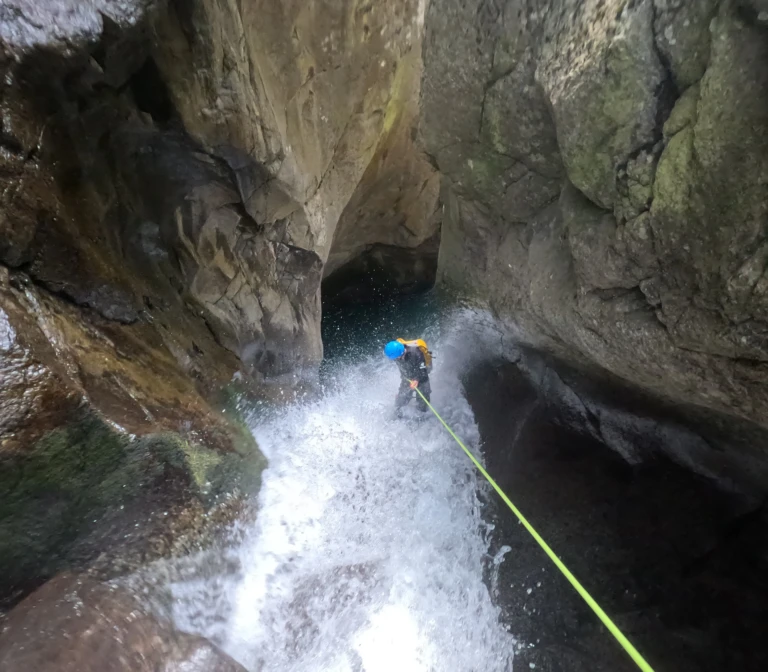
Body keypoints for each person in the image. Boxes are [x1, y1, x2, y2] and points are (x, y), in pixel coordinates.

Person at [383, 339, 431, 416]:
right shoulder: (397, 354)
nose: (396, 359)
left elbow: (423, 371)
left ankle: (422, 416)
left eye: (397, 357)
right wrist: (401, 391)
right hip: (408, 376)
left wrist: (416, 380)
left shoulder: (417, 352)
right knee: (400, 401)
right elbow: (404, 371)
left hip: (422, 375)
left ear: (401, 353)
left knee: (423, 401)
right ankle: (397, 416)